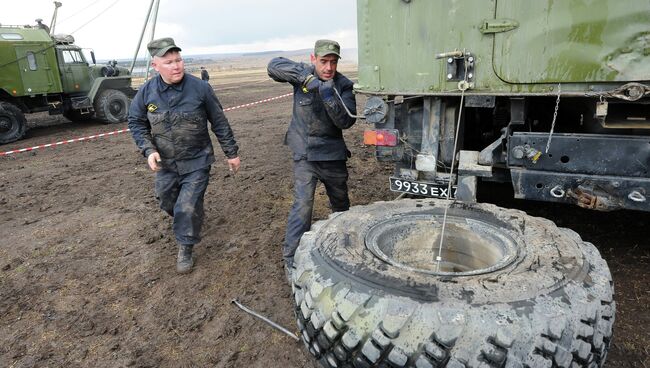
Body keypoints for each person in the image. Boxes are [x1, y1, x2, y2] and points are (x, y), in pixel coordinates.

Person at [128, 37, 241, 274]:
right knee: (166, 200)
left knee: (186, 207)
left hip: (197, 160)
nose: (176, 65)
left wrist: (231, 153)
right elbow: (136, 122)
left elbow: (219, 122)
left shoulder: (200, 89)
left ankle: (185, 246)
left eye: (178, 59)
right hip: (166, 164)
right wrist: (149, 150)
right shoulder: (147, 92)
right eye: (169, 62)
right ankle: (191, 219)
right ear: (155, 66)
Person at [267, 39, 356, 278]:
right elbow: (273, 65)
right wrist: (306, 80)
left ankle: (343, 247)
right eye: (323, 61)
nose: (328, 67)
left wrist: (328, 95)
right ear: (313, 59)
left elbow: (346, 122)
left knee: (340, 204)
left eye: (333, 62)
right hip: (304, 153)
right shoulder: (303, 75)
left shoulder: (344, 85)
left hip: (332, 155)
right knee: (303, 205)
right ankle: (291, 257)